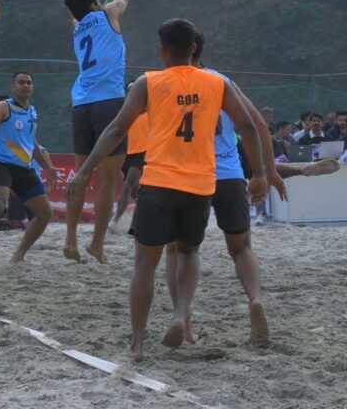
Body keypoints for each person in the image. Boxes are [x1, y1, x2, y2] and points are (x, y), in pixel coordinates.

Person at [66, 18, 267, 361]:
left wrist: (84, 171)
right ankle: (181, 315)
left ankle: (138, 344)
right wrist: (260, 173)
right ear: (194, 48)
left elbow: (116, 129)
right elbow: (249, 125)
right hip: (201, 184)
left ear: (162, 51)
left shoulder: (148, 83)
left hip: (159, 183)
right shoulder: (216, 83)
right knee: (188, 253)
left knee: (145, 264)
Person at [162, 29, 286, 347]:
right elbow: (256, 124)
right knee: (241, 247)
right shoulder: (221, 81)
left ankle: (183, 318)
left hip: (187, 176)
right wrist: (266, 171)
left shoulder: (165, 82)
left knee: (181, 249)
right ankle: (255, 299)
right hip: (229, 173)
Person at [62, 0, 130, 264]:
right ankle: (97, 244)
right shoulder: (108, 14)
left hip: (81, 105)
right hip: (108, 103)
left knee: (81, 174)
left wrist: (88, 0)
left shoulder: (77, 27)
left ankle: (70, 239)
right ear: (94, 4)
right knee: (108, 178)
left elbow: (75, 14)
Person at [0, 71, 57, 266]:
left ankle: (18, 256)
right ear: (13, 86)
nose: (25, 86)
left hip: (24, 169)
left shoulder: (32, 111)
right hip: (1, 165)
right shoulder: (3, 107)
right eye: (21, 82)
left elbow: (31, 142)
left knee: (45, 214)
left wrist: (47, 167)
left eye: (29, 83)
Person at [112, 85, 148, 231]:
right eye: (130, 91)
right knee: (136, 192)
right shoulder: (125, 112)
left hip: (143, 153)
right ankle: (136, 224)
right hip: (127, 154)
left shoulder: (151, 110)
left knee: (128, 186)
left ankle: (114, 221)